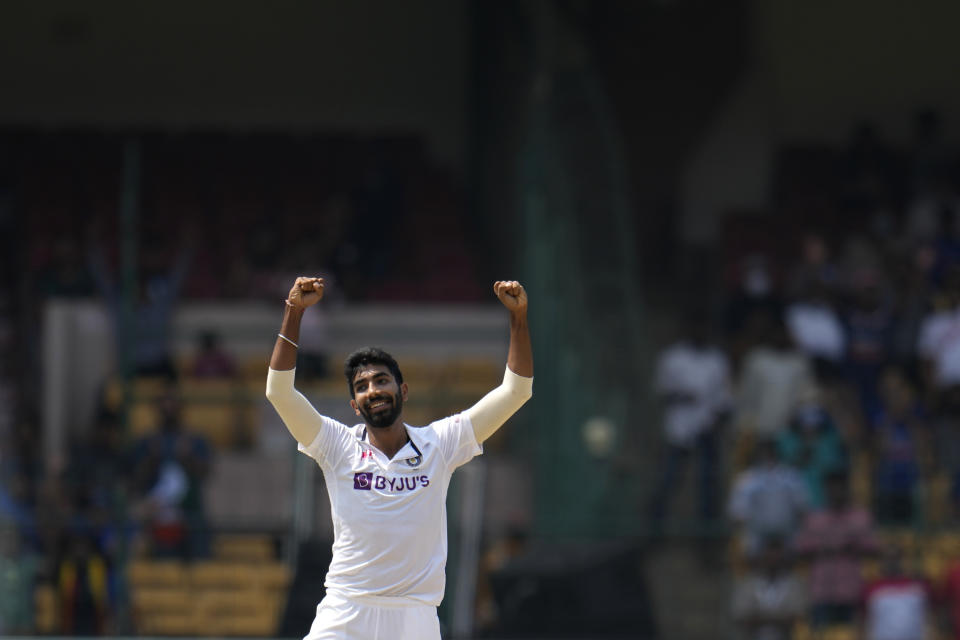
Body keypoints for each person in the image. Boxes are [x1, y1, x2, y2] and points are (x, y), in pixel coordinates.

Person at [265, 276, 533, 640]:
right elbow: (279, 392)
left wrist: (518, 320)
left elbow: (516, 391)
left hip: (414, 619)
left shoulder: (440, 442)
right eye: (361, 387)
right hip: (346, 612)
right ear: (354, 407)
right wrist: (294, 311)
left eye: (381, 381)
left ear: (402, 390)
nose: (372, 390)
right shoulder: (336, 443)